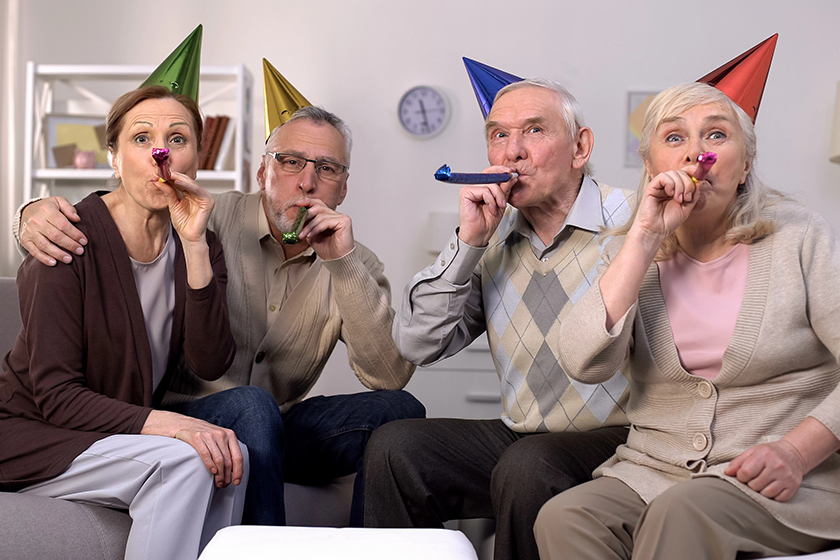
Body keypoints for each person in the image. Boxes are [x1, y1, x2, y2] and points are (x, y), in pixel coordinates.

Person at [14, 105, 424, 526]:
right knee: (251, 406)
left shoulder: (353, 260)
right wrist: (29, 214)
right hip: (187, 417)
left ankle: (370, 549)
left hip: (275, 430)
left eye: (328, 168)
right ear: (263, 171)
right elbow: (128, 211)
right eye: (290, 162)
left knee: (399, 412)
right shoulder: (206, 218)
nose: (307, 181)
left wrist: (342, 264)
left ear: (343, 187)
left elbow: (387, 377)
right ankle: (264, 553)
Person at [534, 81, 840, 560]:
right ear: (652, 167)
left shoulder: (800, 236)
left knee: (684, 510)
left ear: (745, 166)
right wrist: (644, 237)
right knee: (564, 517)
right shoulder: (633, 252)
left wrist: (796, 453)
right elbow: (582, 361)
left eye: (716, 136)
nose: (697, 154)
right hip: (653, 474)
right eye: (674, 138)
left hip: (782, 482)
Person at [364, 78, 634, 560]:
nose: (512, 152)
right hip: (522, 435)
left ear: (580, 147)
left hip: (623, 438)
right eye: (498, 135)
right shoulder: (491, 236)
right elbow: (417, 345)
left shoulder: (637, 220)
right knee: (395, 446)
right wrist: (469, 242)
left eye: (534, 130)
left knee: (530, 465)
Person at [0, 85, 256, 560]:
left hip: (103, 437)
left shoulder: (201, 244)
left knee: (227, 456)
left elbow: (209, 360)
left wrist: (196, 244)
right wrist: (173, 425)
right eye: (142, 138)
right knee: (186, 461)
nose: (161, 152)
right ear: (114, 158)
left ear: (196, 157)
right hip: (28, 436)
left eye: (177, 139)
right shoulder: (64, 241)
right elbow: (55, 398)